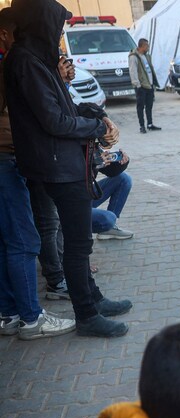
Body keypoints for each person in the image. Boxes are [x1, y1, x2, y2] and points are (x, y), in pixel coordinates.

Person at [5, 0, 130, 338]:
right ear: (43, 23)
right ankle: (87, 315)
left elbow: (66, 106)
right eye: (58, 28)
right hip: (56, 165)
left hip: (56, 161)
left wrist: (94, 114)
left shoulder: (37, 58)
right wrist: (97, 129)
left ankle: (94, 299)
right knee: (77, 244)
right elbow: (54, 120)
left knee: (78, 241)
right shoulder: (27, 61)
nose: (60, 34)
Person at [0, 6, 75, 340]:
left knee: (9, 242)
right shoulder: (18, 63)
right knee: (23, 240)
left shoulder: (14, 62)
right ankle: (32, 318)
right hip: (6, 161)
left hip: (9, 160)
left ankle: (10, 312)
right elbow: (43, 116)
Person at [128, 38, 159, 134]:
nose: (148, 47)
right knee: (140, 107)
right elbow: (133, 72)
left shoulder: (147, 56)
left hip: (149, 85)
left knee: (149, 106)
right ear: (142, 46)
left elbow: (150, 70)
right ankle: (142, 126)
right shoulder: (134, 57)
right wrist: (137, 85)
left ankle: (150, 124)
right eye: (147, 46)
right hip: (141, 86)